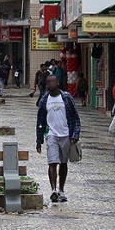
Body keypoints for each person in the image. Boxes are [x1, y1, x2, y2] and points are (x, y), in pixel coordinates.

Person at [36, 75, 81, 203]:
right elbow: (40, 120)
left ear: (57, 83)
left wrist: (75, 134)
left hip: (66, 134)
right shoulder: (45, 100)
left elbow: (75, 117)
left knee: (63, 163)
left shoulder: (66, 97)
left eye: (52, 82)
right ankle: (53, 190)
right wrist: (39, 140)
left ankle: (61, 189)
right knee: (52, 162)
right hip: (51, 134)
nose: (50, 85)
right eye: (48, 83)